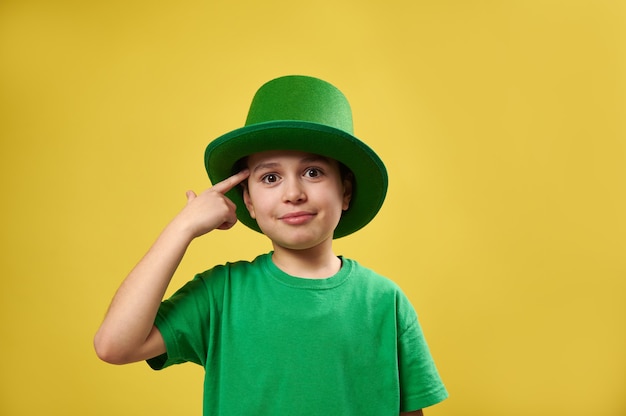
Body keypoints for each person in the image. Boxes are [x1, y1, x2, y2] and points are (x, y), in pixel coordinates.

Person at [94, 75, 448, 415]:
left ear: (346, 191)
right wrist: (182, 227)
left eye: (313, 172)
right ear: (248, 201)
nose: (293, 193)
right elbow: (114, 345)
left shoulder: (386, 302)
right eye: (270, 177)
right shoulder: (222, 294)